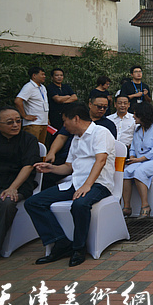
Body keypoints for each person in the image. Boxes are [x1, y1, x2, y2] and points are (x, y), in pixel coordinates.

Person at [26, 102, 117, 267]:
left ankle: (78, 248)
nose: (63, 125)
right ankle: (60, 242)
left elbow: (101, 160)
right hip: (75, 183)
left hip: (98, 184)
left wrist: (87, 185)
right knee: (33, 202)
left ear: (75, 119)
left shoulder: (101, 132)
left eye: (64, 121)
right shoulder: (76, 138)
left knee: (80, 204)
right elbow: (69, 167)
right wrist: (51, 168)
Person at [0, 106, 40, 266]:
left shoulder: (28, 140)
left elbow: (28, 166)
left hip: (20, 182)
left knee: (6, 201)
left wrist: (13, 187)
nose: (15, 125)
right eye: (10, 122)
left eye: (18, 121)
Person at [121, 102, 153, 218]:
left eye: (136, 115)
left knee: (139, 172)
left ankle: (145, 205)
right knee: (126, 172)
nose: (133, 116)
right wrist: (132, 157)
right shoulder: (137, 130)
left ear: (143, 115)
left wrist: (139, 159)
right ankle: (127, 207)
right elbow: (133, 147)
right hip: (140, 161)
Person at [15, 66, 49, 143]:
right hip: (33, 123)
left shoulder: (42, 87)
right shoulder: (29, 87)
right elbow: (18, 101)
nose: (44, 76)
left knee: (41, 147)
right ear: (34, 75)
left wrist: (47, 118)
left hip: (43, 122)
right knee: (31, 146)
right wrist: (24, 116)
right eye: (42, 74)